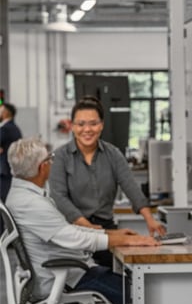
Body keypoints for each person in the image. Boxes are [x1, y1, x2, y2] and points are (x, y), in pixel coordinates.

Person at [5, 137, 159, 304]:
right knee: (140, 294)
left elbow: (64, 230)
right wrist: (127, 239)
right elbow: (74, 239)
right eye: (49, 160)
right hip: (67, 276)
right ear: (42, 167)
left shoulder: (21, 194)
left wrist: (109, 232)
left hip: (64, 271)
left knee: (122, 291)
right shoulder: (31, 203)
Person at [49, 96, 166, 269]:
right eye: (81, 124)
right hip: (73, 230)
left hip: (105, 228)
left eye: (93, 123)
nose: (87, 129)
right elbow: (59, 196)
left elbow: (130, 186)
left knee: (113, 278)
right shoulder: (61, 156)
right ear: (73, 126)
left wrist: (150, 219)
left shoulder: (113, 154)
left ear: (101, 125)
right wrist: (86, 226)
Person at [0, 102, 23, 202]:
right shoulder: (14, 128)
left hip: (4, 170)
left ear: (5, 113)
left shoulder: (6, 128)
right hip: (10, 168)